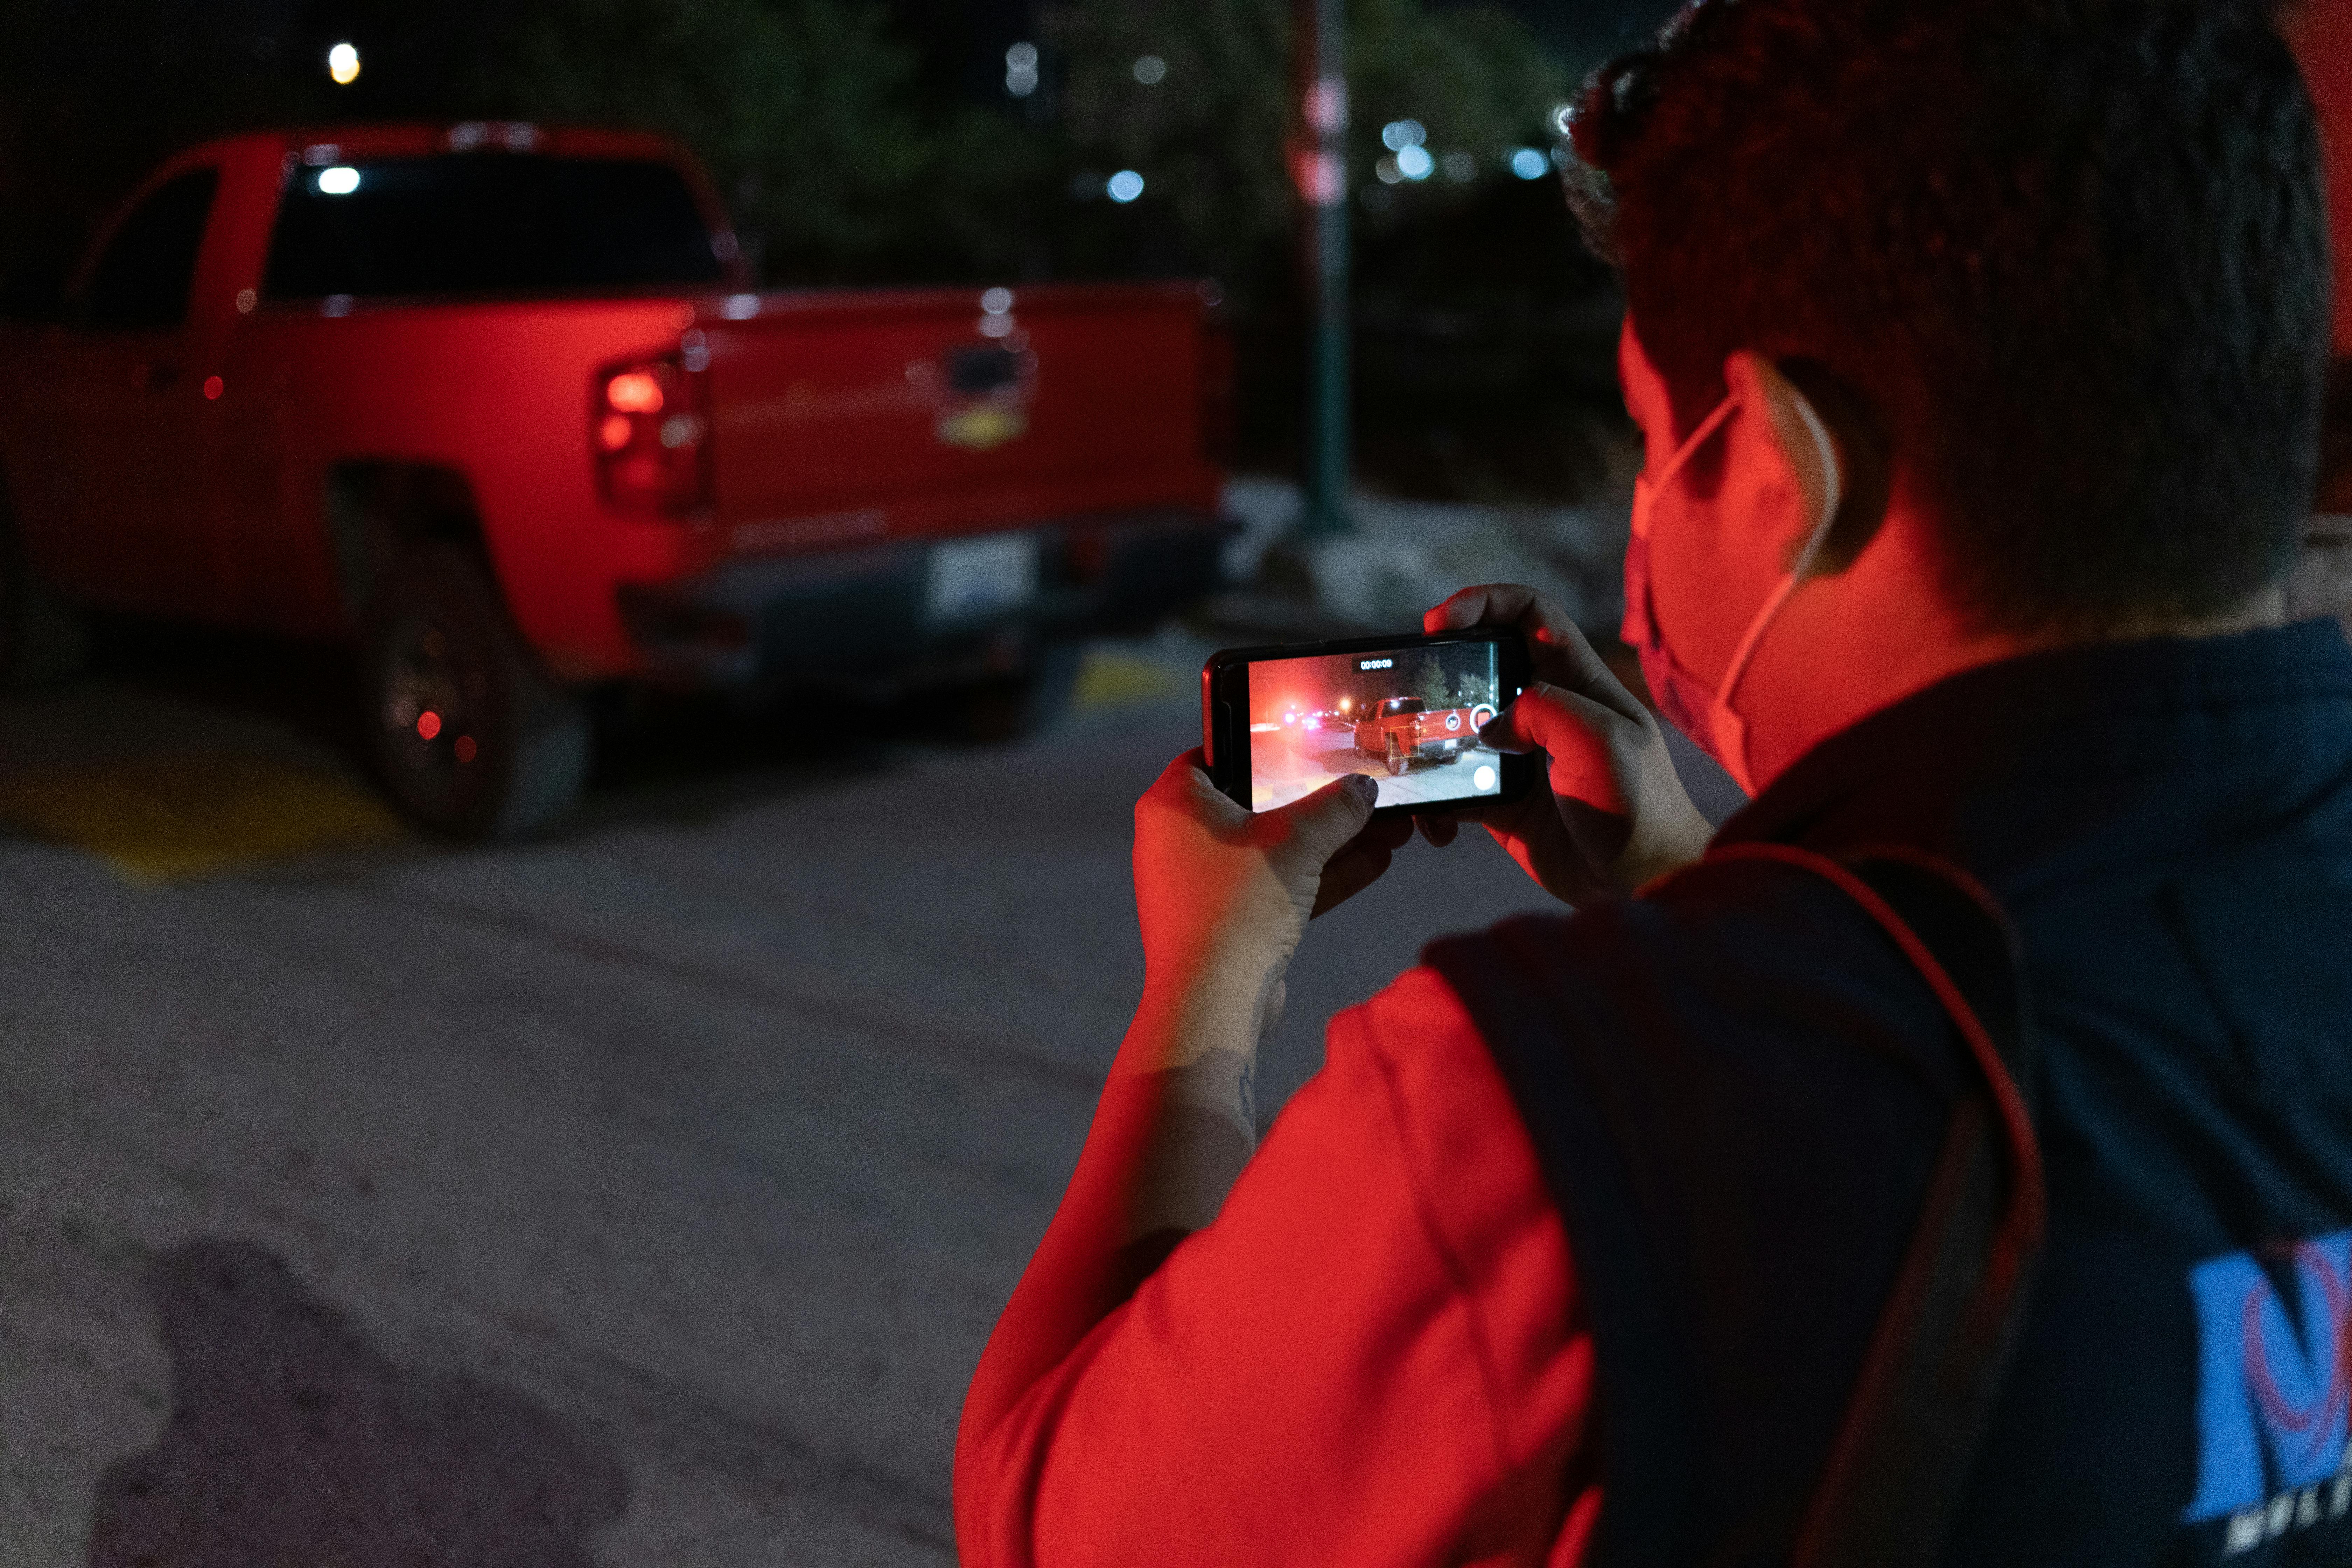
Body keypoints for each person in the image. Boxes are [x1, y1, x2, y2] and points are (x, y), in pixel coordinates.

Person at [956, 1, 2352, 1562]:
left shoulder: (1559, 1106)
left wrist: (1203, 991)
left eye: (1647, 431)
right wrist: (1702, 876)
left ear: (1774, 466)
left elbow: (1059, 1511)